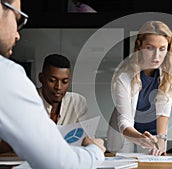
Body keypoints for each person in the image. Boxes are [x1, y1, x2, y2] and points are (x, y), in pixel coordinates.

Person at [0, 0, 106, 168]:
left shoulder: (77, 102)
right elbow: (60, 164)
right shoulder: (6, 75)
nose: (18, 34)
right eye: (18, 19)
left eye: (64, 82)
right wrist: (95, 151)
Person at [107, 20, 172, 155]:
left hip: (153, 134)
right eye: (150, 48)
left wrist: (160, 141)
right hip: (125, 134)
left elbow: (163, 114)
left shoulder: (169, 75)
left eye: (162, 49)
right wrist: (141, 139)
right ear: (139, 46)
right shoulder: (124, 77)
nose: (156, 56)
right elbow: (124, 122)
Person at [38, 54, 87, 125]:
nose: (58, 87)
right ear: (41, 78)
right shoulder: (29, 101)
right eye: (52, 80)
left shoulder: (77, 103)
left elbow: (82, 134)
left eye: (65, 82)